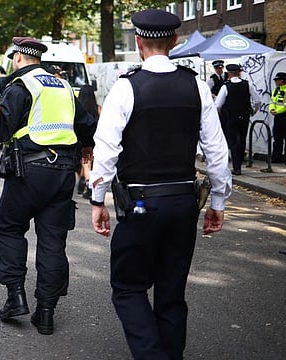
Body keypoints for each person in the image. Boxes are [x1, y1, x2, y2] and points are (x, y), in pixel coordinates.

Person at [89, 9, 232, 359]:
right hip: (184, 203)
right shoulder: (196, 86)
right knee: (171, 293)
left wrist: (98, 200)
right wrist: (218, 203)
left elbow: (106, 150)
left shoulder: (126, 87)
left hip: (140, 205)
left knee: (127, 288)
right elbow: (217, 151)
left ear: (138, 43)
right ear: (176, 42)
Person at [0, 36, 96, 335]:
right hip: (63, 172)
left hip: (29, 170)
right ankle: (46, 313)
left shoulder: (20, 87)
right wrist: (86, 146)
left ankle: (16, 296)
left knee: (7, 228)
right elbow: (86, 124)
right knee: (53, 240)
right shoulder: (64, 86)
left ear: (18, 58)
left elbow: (0, 130)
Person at [215, 64, 261, 175]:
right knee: (242, 139)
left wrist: (220, 115)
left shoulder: (226, 86)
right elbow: (257, 101)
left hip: (231, 117)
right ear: (239, 73)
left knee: (234, 141)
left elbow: (217, 105)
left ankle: (237, 168)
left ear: (229, 74)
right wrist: (253, 111)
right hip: (244, 116)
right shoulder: (247, 85)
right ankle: (239, 164)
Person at [76, 84, 100, 199]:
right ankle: (84, 183)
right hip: (94, 139)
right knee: (88, 163)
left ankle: (88, 185)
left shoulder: (78, 107)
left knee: (85, 163)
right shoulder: (98, 108)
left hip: (80, 139)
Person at [269, 72, 286, 163]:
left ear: (282, 81)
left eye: (277, 80)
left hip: (284, 115)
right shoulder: (276, 90)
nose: (276, 82)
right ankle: (276, 158)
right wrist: (271, 109)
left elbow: (285, 105)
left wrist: (278, 111)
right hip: (277, 117)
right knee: (277, 138)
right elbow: (272, 101)